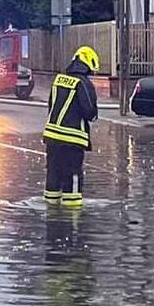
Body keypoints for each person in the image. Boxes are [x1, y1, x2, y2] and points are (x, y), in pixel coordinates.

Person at [42, 46, 99, 208]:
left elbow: (51, 105)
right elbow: (89, 112)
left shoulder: (58, 79)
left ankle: (51, 208)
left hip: (52, 137)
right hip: (73, 138)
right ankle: (72, 214)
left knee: (53, 172)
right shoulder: (83, 83)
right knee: (73, 173)